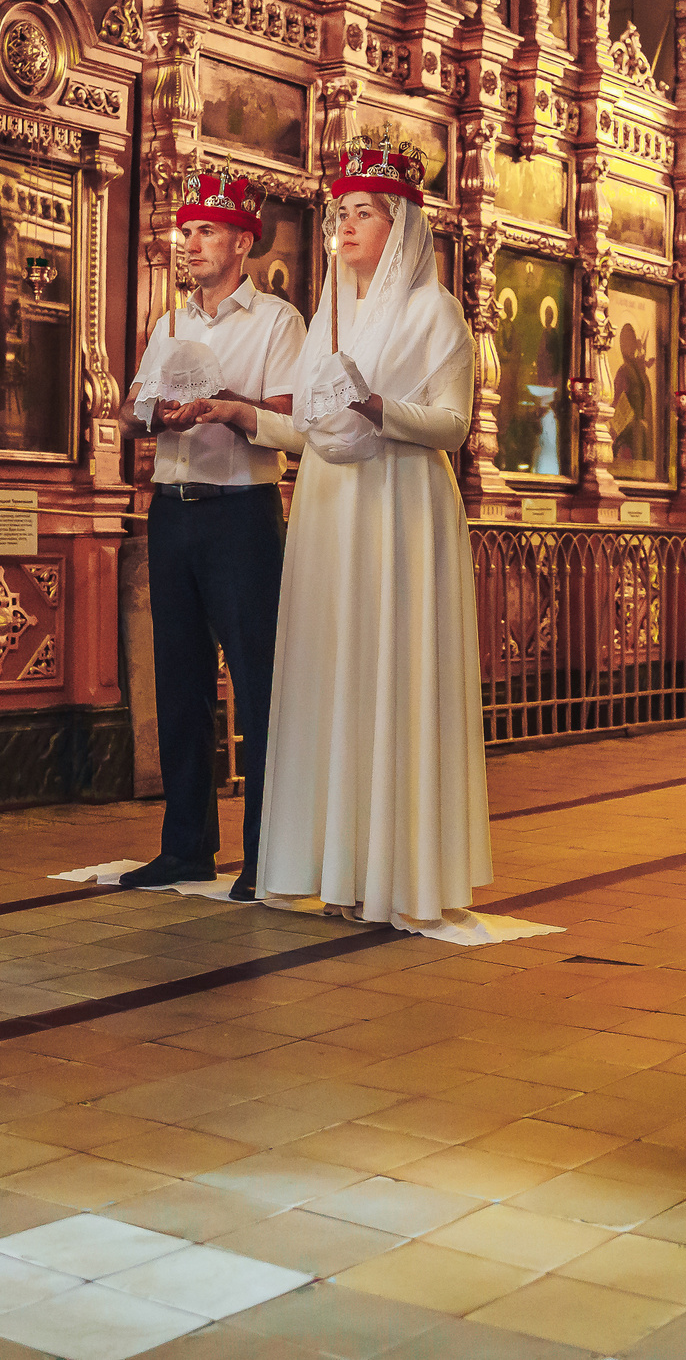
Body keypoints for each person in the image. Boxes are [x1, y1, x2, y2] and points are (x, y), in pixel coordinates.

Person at [193, 135, 490, 932]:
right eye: (341, 213)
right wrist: (244, 413)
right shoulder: (328, 315)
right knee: (336, 672)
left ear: (401, 223)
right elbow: (307, 433)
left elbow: (454, 425)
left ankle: (397, 872)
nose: (347, 226)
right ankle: (338, 867)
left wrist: (378, 410)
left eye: (364, 212)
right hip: (330, 508)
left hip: (398, 508)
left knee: (390, 671)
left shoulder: (436, 310)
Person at [120, 172, 305, 899]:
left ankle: (266, 853)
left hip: (241, 514)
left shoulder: (277, 323)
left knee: (258, 687)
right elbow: (134, 406)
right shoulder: (170, 324)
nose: (189, 244)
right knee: (181, 681)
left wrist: (226, 406)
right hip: (173, 507)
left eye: (204, 232)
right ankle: (186, 845)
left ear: (241, 241)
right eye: (186, 231)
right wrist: (153, 416)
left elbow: (291, 423)